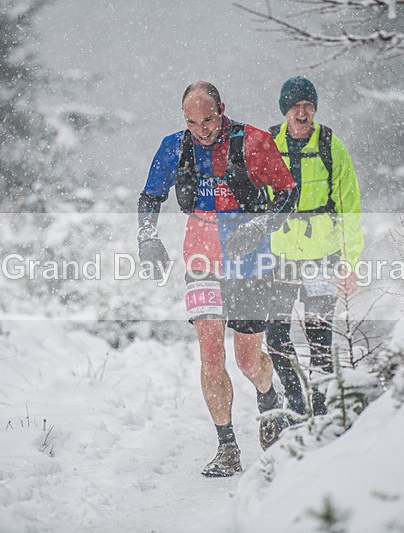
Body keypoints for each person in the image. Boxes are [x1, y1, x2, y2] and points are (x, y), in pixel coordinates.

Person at [137, 81, 298, 477]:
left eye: (208, 120)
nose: (202, 129)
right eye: (192, 122)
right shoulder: (174, 146)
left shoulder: (254, 141)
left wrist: (259, 226)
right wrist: (147, 237)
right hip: (202, 256)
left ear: (221, 109)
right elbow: (149, 198)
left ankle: (268, 398)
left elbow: (288, 195)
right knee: (211, 356)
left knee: (247, 360)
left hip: (250, 261)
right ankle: (227, 447)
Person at [266, 76, 364, 416]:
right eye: (296, 106)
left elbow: (350, 208)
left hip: (323, 256)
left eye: (308, 105)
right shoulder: (267, 144)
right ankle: (297, 400)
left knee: (320, 340)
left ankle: (319, 411)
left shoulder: (330, 145)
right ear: (285, 111)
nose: (303, 112)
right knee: (276, 338)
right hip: (279, 258)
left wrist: (350, 262)